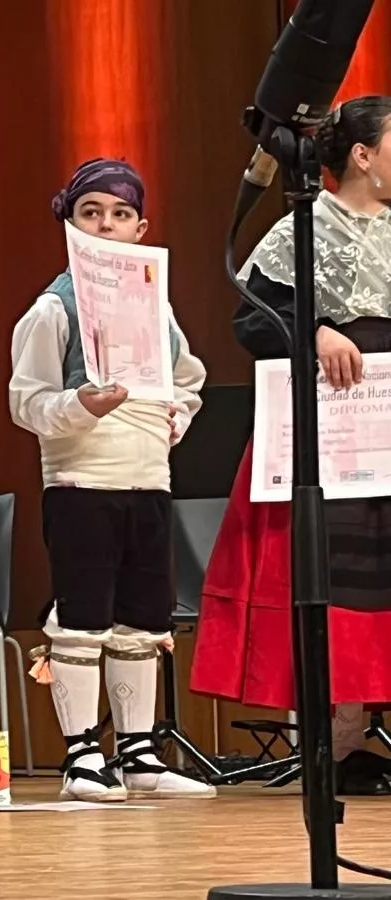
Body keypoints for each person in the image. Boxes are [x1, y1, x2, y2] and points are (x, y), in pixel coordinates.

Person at [192, 95, 391, 794]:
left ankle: (365, 736)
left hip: (390, 418)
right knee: (329, 574)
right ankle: (333, 741)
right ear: (362, 154)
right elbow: (249, 322)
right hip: (333, 422)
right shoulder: (302, 228)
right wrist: (315, 332)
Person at [9, 159, 215, 802]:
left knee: (142, 619)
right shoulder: (53, 307)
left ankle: (138, 752)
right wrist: (80, 407)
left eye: (119, 215)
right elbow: (26, 399)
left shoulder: (156, 304)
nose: (105, 225)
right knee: (83, 618)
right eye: (90, 212)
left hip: (148, 478)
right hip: (80, 480)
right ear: (68, 224)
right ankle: (79, 758)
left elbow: (189, 378)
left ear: (140, 227)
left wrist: (174, 416)